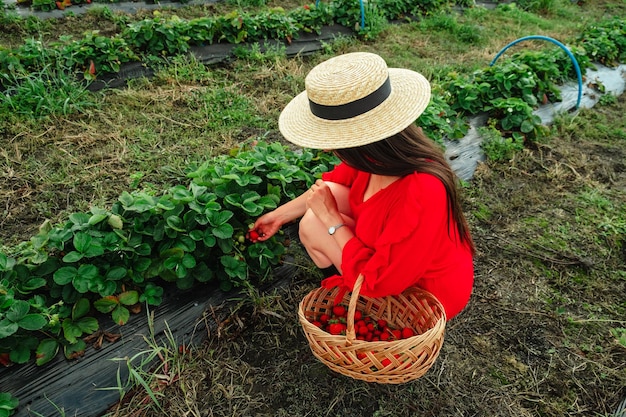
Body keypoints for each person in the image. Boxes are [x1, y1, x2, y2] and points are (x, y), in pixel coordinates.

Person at [252, 52, 475, 320]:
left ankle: (365, 305)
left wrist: (333, 220)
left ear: (362, 140)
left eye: (330, 137)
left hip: (419, 297)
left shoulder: (422, 190)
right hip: (391, 265)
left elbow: (382, 282)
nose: (326, 146)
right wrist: (279, 215)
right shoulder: (376, 158)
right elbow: (333, 183)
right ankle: (353, 294)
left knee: (317, 222)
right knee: (319, 208)